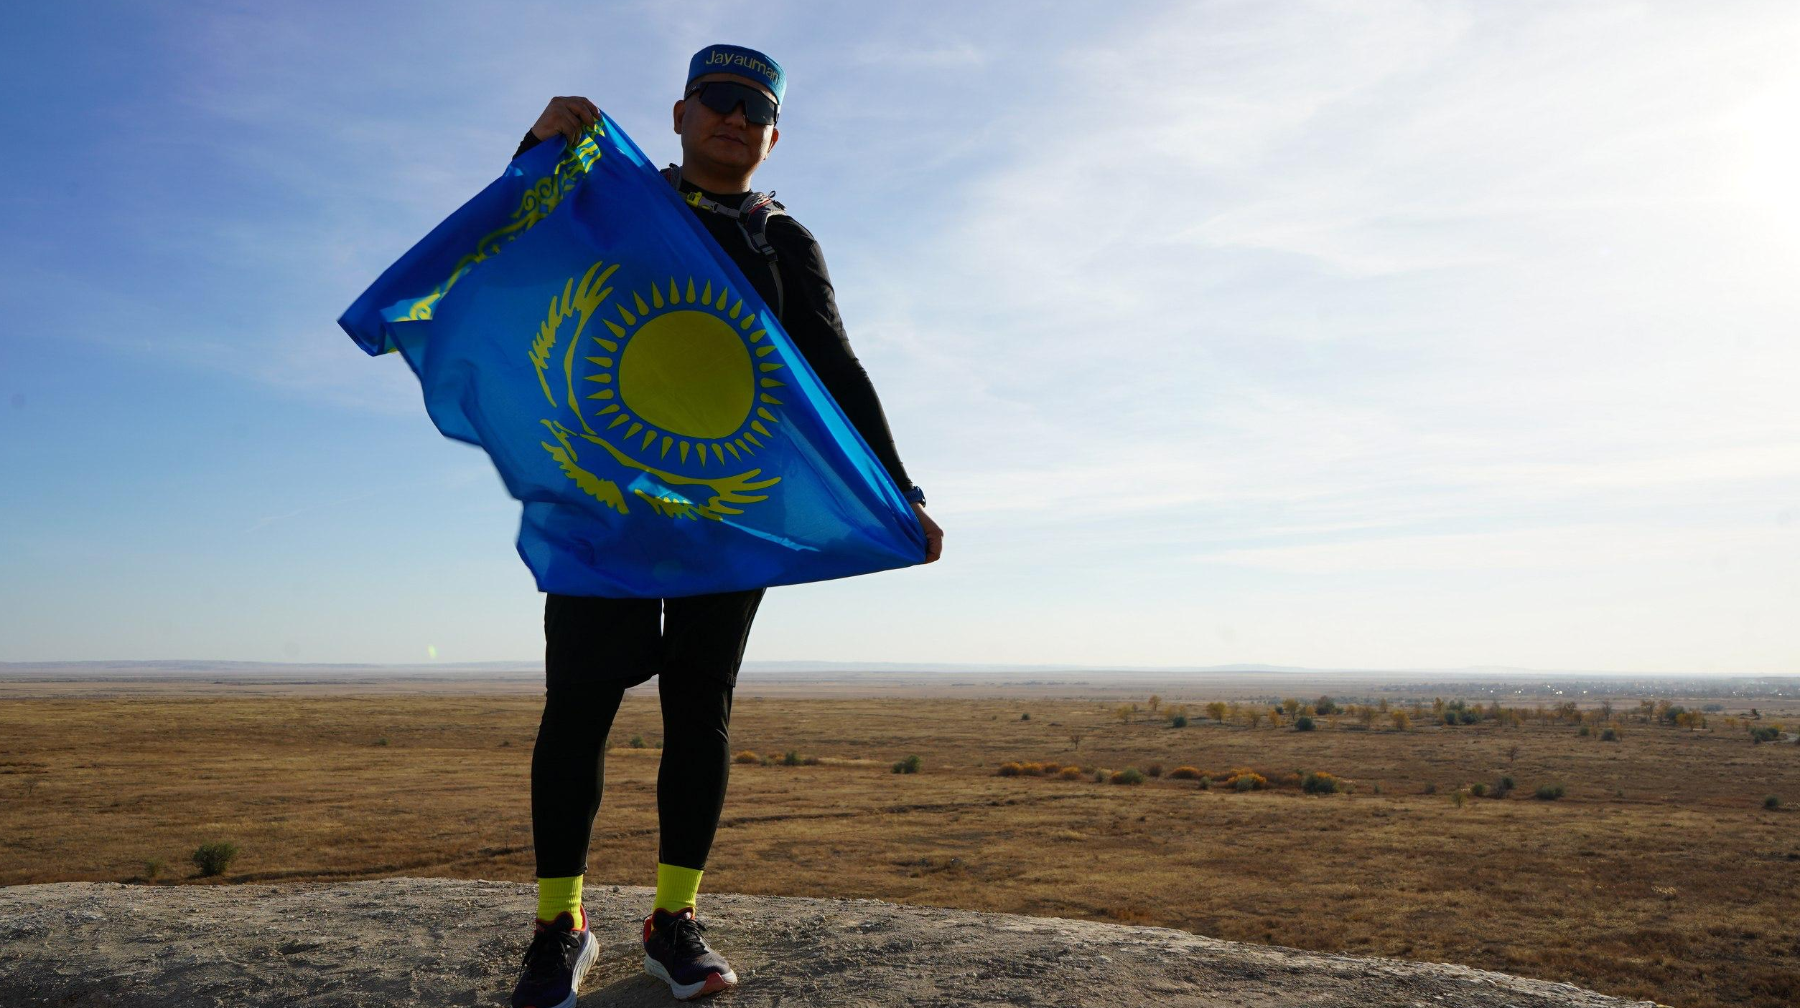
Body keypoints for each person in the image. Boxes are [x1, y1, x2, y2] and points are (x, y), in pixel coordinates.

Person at [508, 44, 944, 1008]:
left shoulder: (784, 241)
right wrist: (531, 143)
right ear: (679, 113)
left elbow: (835, 367)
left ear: (774, 133)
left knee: (697, 710)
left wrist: (899, 492)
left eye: (756, 106)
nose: (735, 116)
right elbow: (518, 236)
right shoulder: (616, 200)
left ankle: (673, 924)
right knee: (578, 705)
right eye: (718, 98)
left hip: (726, 511)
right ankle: (558, 927)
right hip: (606, 501)